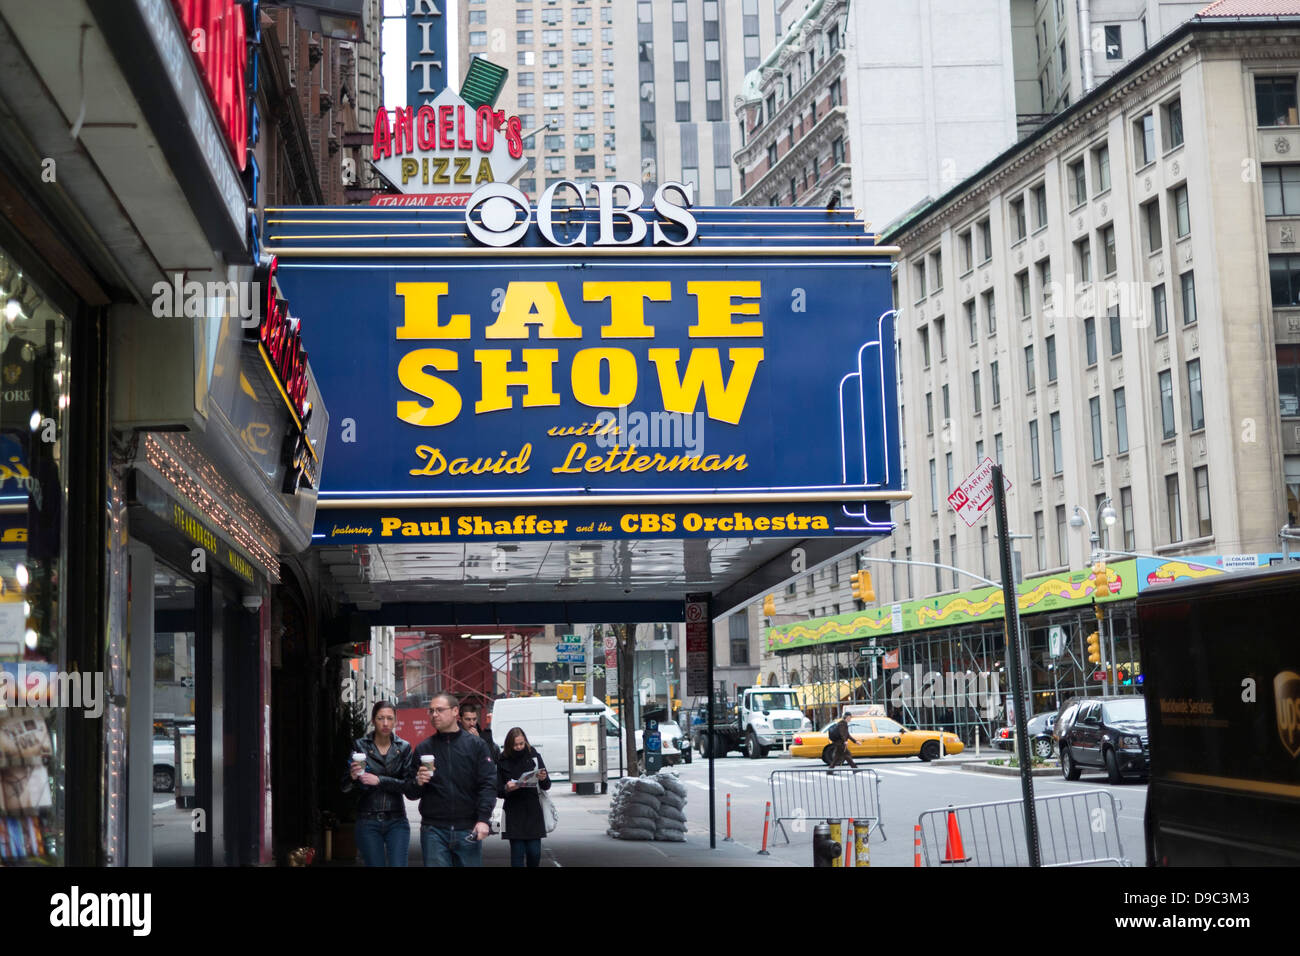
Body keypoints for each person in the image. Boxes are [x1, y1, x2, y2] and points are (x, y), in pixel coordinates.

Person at [405, 692, 497, 866]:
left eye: (439, 710)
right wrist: (418, 781)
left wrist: (483, 819)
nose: (434, 715)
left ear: (455, 711)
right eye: (431, 711)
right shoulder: (424, 748)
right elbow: (411, 792)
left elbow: (488, 784)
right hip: (433, 829)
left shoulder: (476, 745)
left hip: (468, 828)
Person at [346, 700, 413, 867]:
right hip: (367, 819)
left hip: (396, 819)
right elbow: (344, 787)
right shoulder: (360, 745)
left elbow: (408, 786)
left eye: (390, 718)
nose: (385, 723)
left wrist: (380, 780)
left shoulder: (403, 747)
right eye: (380, 718)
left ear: (396, 721)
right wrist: (352, 777)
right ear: (372, 720)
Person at [495, 727, 551, 868]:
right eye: (515, 745)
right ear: (509, 745)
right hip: (513, 811)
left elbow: (546, 785)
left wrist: (543, 778)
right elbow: (498, 790)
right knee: (517, 854)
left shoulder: (534, 756)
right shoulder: (502, 760)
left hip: (532, 810)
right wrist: (507, 788)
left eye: (521, 743)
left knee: (535, 852)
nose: (519, 747)